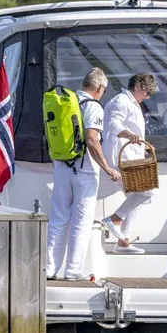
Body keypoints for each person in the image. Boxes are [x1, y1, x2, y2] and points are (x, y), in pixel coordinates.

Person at [46, 67, 122, 280]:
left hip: (61, 166)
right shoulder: (93, 106)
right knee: (81, 221)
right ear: (99, 87)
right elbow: (92, 140)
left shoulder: (65, 102)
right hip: (84, 170)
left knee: (58, 218)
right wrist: (107, 168)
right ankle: (72, 271)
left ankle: (49, 268)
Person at [100, 72, 159, 254]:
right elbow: (112, 124)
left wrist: (143, 145)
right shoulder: (121, 101)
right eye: (147, 93)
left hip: (130, 156)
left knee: (137, 198)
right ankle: (114, 219)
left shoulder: (130, 102)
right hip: (121, 158)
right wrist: (129, 135)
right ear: (138, 87)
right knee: (148, 191)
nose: (147, 97)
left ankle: (123, 241)